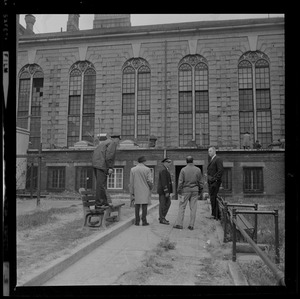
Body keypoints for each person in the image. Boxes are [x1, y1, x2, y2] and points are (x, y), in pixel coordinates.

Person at [173, 156, 203, 230]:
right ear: (193, 161)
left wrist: (179, 191)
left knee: (182, 207)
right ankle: (191, 225)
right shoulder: (198, 170)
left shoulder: (183, 170)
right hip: (195, 191)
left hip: (185, 191)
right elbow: (201, 182)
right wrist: (200, 191)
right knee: (193, 208)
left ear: (186, 161)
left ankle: (179, 224)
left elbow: (180, 182)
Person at [92, 133, 121, 208]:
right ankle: (99, 204)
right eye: (118, 140)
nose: (119, 142)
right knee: (101, 185)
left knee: (101, 185)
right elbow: (109, 156)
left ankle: (104, 202)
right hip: (102, 165)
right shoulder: (112, 143)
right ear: (116, 139)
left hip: (96, 165)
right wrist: (110, 167)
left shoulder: (104, 142)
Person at [129, 156, 153, 226]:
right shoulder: (147, 169)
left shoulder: (133, 169)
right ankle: (144, 221)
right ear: (144, 161)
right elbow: (149, 180)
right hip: (145, 189)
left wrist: (132, 192)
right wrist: (151, 187)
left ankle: (137, 221)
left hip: (136, 189)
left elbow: (131, 182)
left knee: (137, 206)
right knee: (144, 206)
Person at [207, 146, 224, 220]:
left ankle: (216, 215)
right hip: (211, 182)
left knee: (214, 197)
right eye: (208, 151)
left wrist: (214, 179)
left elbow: (220, 171)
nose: (209, 153)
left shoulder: (218, 159)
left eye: (210, 151)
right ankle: (214, 214)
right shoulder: (212, 159)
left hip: (215, 182)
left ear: (214, 151)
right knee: (212, 198)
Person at [157, 157, 173, 225]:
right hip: (163, 191)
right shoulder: (163, 170)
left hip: (164, 191)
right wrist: (166, 192)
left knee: (167, 203)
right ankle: (162, 218)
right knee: (163, 205)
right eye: (169, 162)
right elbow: (164, 182)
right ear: (165, 162)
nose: (170, 164)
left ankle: (162, 217)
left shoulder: (165, 169)